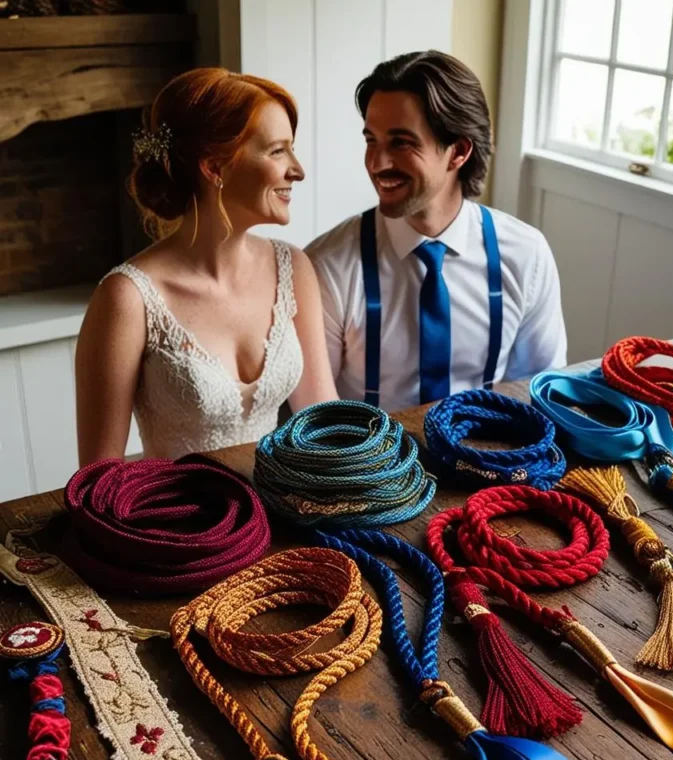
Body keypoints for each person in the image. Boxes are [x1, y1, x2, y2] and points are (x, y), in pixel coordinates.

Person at [75, 67, 338, 466]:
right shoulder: (127, 298)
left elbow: (322, 420)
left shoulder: (293, 267)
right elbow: (100, 477)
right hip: (178, 521)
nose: (297, 170)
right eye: (277, 150)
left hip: (279, 510)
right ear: (214, 167)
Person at [306, 50, 567, 412]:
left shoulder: (526, 254)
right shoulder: (327, 266)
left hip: (491, 456)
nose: (377, 163)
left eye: (401, 142)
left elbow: (537, 395)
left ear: (458, 151)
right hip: (365, 464)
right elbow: (315, 417)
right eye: (371, 140)